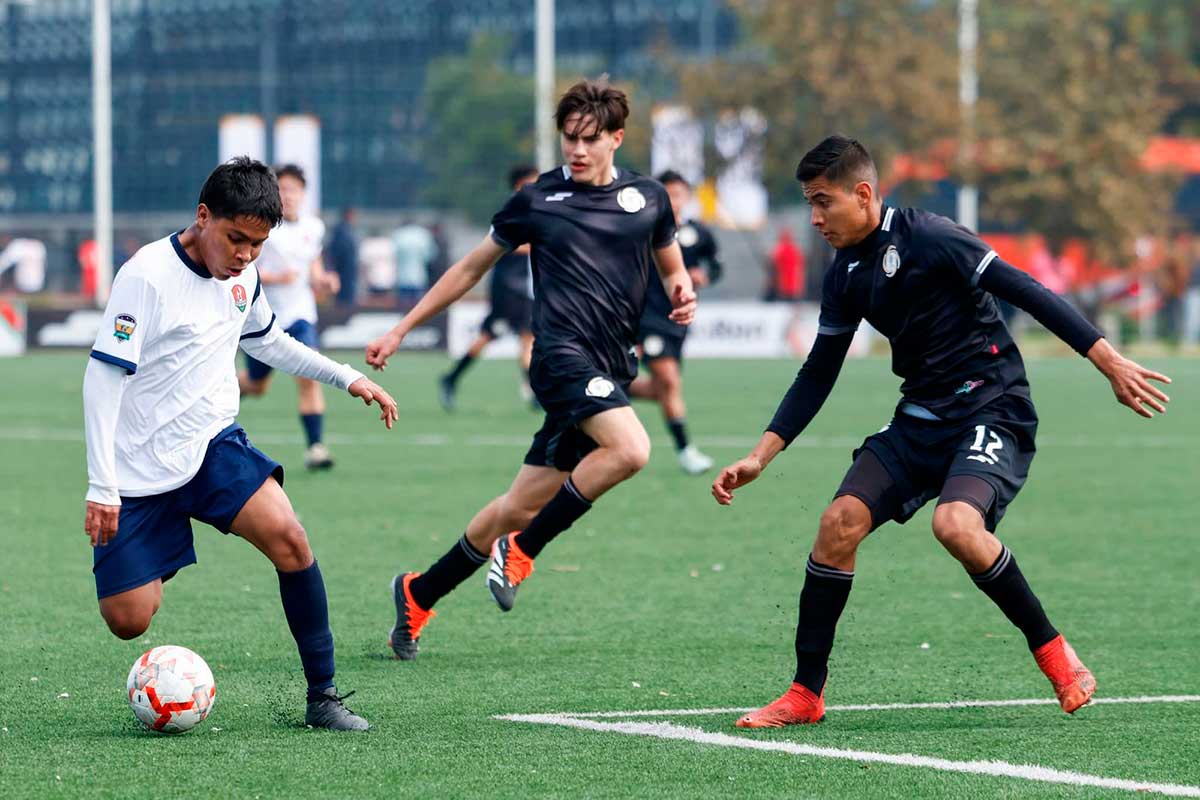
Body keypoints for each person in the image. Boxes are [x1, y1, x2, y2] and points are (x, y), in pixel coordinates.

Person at [711, 136, 1171, 729]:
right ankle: (806, 694)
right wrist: (760, 456)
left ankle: (1057, 655)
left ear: (864, 193)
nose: (815, 218)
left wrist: (1107, 360)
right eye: (809, 203)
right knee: (837, 526)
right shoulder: (845, 273)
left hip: (993, 408)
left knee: (955, 524)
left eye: (823, 202)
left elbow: (1026, 292)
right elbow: (818, 372)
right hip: (922, 416)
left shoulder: (931, 236)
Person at [366, 79, 696, 660]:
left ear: (617, 138)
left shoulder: (648, 198)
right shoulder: (537, 200)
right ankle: (523, 551)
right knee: (631, 450)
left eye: (591, 139)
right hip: (559, 357)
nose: (577, 149)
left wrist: (681, 289)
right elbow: (470, 268)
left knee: (515, 505)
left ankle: (419, 592)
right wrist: (401, 327)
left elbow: (671, 263)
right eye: (569, 138)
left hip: (611, 366)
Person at [83, 157, 398, 729]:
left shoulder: (244, 275)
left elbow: (267, 340)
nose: (247, 255)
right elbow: (102, 380)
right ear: (203, 217)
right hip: (137, 469)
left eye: (257, 244)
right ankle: (157, 555)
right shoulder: (146, 276)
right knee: (129, 619)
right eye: (236, 239)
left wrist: (345, 376)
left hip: (212, 444)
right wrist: (102, 486)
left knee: (291, 539)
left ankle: (323, 697)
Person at [238, 165, 342, 471]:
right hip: (264, 319)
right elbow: (244, 268)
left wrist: (324, 281)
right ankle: (210, 399)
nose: (288, 195)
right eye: (282, 189)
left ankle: (316, 448)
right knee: (257, 386)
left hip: (300, 315)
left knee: (309, 375)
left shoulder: (314, 228)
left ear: (303, 194)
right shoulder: (263, 227)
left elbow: (313, 268)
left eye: (293, 189)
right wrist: (275, 277)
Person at [628, 170, 721, 474]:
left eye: (677, 194)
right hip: (648, 317)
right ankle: (686, 452)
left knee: (663, 388)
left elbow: (716, 265)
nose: (672, 201)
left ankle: (611, 386)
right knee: (669, 382)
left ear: (687, 197)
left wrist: (704, 276)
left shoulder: (698, 233)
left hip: (680, 320)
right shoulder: (641, 232)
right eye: (665, 195)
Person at [438, 165, 540, 411]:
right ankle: (451, 378)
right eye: (533, 182)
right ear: (520, 185)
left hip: (524, 287)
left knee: (528, 338)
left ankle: (536, 394)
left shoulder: (533, 209)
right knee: (489, 335)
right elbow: (503, 245)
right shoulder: (512, 209)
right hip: (507, 288)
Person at [328, 208, 359, 308]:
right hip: (344, 270)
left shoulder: (346, 229)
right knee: (344, 298)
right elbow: (339, 251)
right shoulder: (342, 230)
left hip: (347, 269)